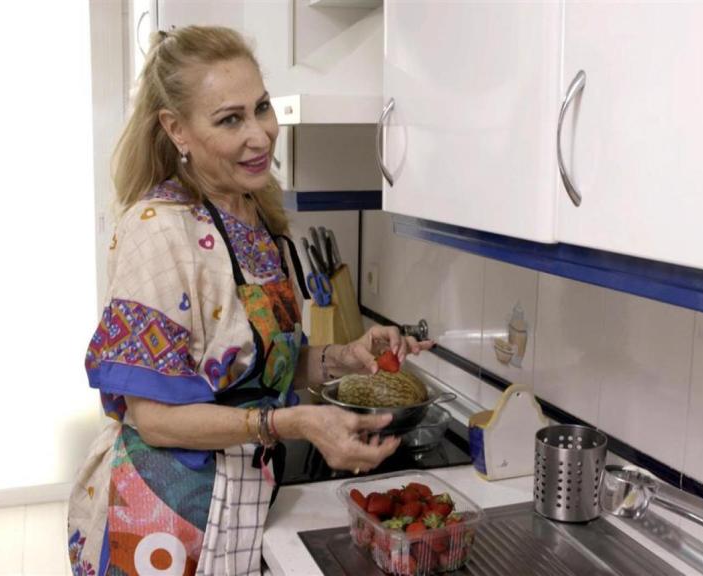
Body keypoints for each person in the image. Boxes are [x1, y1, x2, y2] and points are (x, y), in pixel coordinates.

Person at [66, 26, 432, 576]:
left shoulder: (258, 217)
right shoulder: (157, 229)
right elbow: (155, 419)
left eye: (261, 108)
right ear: (176, 129)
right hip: (165, 520)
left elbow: (258, 370)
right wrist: (292, 423)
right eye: (230, 119)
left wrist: (343, 357)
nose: (260, 136)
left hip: (243, 500)